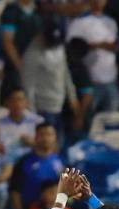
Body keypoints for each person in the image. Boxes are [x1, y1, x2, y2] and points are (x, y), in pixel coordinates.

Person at [21, 16, 80, 145]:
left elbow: (65, 72)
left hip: (60, 103)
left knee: (61, 142)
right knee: (49, 145)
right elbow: (28, 87)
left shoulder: (59, 46)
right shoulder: (32, 55)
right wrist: (33, 117)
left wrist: (72, 97)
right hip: (43, 108)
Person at [66, 0, 119, 114]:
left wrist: (112, 46)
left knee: (112, 118)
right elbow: (72, 48)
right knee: (89, 117)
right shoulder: (79, 22)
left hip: (111, 79)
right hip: (91, 80)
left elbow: (116, 45)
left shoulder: (111, 21)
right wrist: (99, 45)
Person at [9, 122, 64, 209]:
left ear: (55, 138)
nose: (46, 138)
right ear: (36, 137)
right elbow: (15, 191)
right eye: (42, 134)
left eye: (49, 134)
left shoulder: (61, 161)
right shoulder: (24, 162)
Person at [0, 0, 43, 94]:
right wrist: (21, 66)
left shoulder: (38, 10)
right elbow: (8, 41)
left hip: (35, 66)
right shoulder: (11, 11)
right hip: (16, 67)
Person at [0, 88, 44, 163]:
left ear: (26, 102)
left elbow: (51, 147)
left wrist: (33, 144)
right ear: (7, 103)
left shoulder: (38, 121)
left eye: (20, 100)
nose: (17, 104)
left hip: (33, 162)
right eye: (13, 100)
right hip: (7, 162)